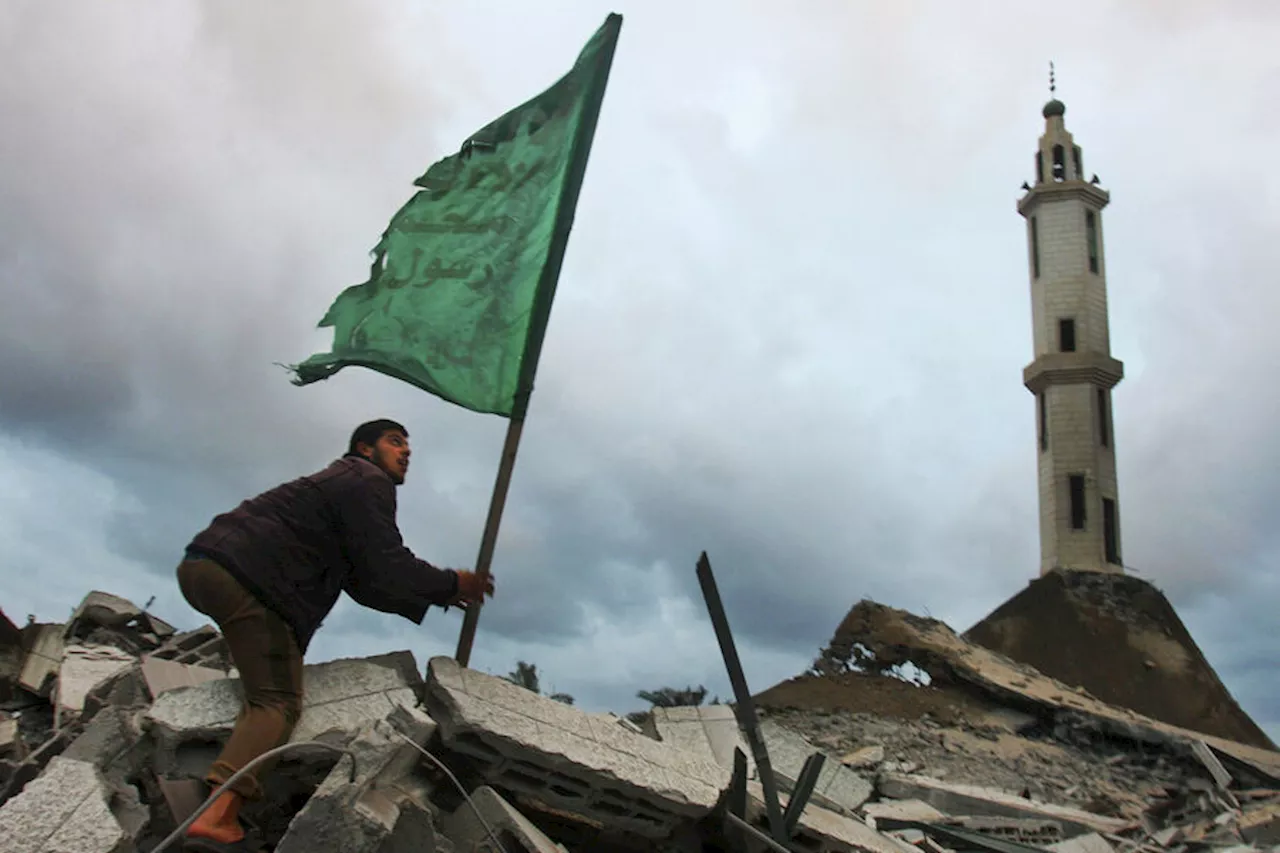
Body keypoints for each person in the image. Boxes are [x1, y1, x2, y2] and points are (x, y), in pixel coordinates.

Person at [174, 418, 494, 852]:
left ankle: (216, 793)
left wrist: (441, 593)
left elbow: (367, 583)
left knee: (266, 685)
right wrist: (453, 582)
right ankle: (216, 816)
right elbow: (388, 562)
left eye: (408, 448)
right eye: (394, 442)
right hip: (251, 579)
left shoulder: (340, 489)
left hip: (210, 565)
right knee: (276, 703)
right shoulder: (366, 479)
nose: (405, 453)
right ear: (365, 449)